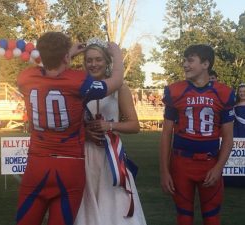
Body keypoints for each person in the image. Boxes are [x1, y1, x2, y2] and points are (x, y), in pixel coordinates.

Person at [16, 32, 124, 225]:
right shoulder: (78, 81)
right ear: (65, 57)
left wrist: (64, 55)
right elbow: (116, 81)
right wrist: (117, 55)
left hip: (37, 162)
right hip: (69, 165)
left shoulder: (25, 77)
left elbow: (46, 69)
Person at [160, 44, 235, 225]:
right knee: (184, 217)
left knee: (212, 217)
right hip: (181, 163)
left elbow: (228, 138)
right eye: (185, 60)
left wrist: (219, 168)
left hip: (210, 163)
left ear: (205, 64)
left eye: (190, 60)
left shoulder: (223, 93)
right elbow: (166, 134)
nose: (185, 64)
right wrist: (164, 170)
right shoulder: (175, 91)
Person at [74, 38, 147, 225]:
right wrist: (85, 133)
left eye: (98, 59)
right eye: (89, 60)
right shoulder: (77, 88)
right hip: (85, 155)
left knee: (115, 205)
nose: (93, 64)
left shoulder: (120, 88)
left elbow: (134, 125)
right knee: (86, 207)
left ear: (107, 61)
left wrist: (110, 126)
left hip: (112, 158)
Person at [224, 83, 245, 187]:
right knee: (237, 156)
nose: (242, 93)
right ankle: (234, 180)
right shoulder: (234, 106)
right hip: (237, 132)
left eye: (244, 91)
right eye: (240, 91)